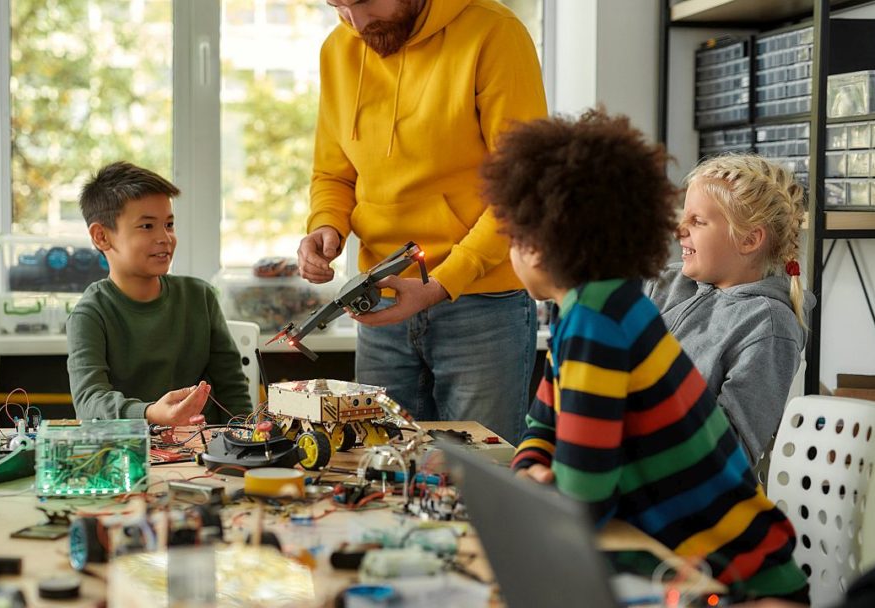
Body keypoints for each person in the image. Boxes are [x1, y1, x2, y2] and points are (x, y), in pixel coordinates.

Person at [486, 110, 808, 601]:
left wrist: (542, 493)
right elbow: (542, 425)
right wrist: (531, 469)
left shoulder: (600, 319)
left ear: (537, 244)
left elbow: (582, 503)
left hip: (733, 577)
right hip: (660, 546)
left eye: (511, 234)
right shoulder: (584, 312)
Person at [298, 0, 547, 443]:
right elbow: (334, 173)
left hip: (482, 303)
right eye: (337, 6)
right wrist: (326, 225)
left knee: (480, 477)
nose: (356, 23)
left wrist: (442, 282)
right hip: (381, 302)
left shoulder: (494, 33)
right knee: (377, 469)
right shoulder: (338, 49)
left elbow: (523, 186)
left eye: (362, 2)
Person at [646, 155, 815, 466]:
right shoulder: (664, 283)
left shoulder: (768, 324)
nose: (679, 230)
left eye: (697, 221)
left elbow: (732, 453)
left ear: (749, 239)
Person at [67, 161, 252, 425]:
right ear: (101, 236)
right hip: (130, 452)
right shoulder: (90, 314)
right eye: (147, 226)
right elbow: (89, 402)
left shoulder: (200, 297)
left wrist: (245, 440)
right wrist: (151, 413)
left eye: (169, 224)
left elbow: (232, 388)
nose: (165, 237)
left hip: (202, 447)